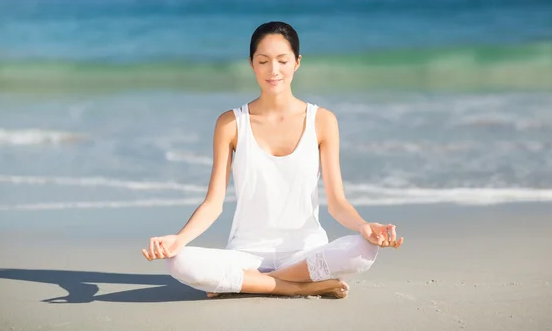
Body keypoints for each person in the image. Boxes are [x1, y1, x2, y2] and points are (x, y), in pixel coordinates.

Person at [142, 21, 403, 299]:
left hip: (306, 252)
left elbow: (337, 204)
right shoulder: (231, 123)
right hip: (245, 254)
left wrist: (365, 226)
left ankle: (248, 284)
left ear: (297, 62)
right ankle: (294, 287)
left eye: (282, 60)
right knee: (178, 262)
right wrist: (179, 240)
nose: (273, 70)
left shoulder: (322, 121)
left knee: (364, 250)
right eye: (263, 61)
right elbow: (213, 203)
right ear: (251, 63)